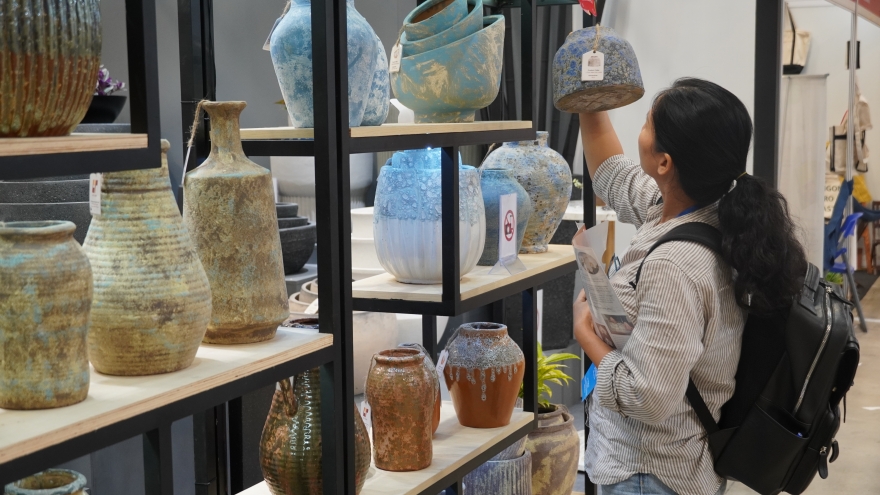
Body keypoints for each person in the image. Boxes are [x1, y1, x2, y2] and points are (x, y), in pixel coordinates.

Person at [574, 78, 807, 495]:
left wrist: (585, 334)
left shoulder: (675, 266)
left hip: (651, 474)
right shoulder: (704, 209)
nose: (641, 130)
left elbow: (648, 398)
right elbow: (612, 173)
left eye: (647, 123)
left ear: (665, 163)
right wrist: (588, 92)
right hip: (670, 466)